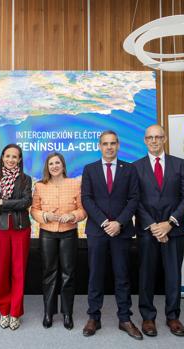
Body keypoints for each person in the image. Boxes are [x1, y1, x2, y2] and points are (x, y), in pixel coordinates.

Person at [81, 130, 142, 340]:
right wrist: (106, 222)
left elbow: (134, 199)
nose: (109, 147)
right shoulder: (89, 169)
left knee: (122, 276)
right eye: (105, 144)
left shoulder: (130, 169)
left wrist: (119, 223)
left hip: (122, 231)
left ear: (118, 145)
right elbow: (86, 199)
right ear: (99, 146)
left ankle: (125, 318)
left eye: (113, 143)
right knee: (95, 275)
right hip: (97, 231)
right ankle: (93, 317)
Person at [134, 125, 184, 337]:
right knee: (146, 275)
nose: (154, 140)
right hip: (147, 230)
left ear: (165, 139)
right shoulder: (136, 167)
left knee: (173, 275)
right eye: (150, 137)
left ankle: (173, 316)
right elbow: (135, 200)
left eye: (158, 137)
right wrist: (154, 225)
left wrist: (170, 223)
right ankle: (148, 317)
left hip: (174, 230)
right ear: (145, 140)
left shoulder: (179, 164)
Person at [31, 152, 86, 330]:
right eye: (51, 164)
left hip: (69, 233)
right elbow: (34, 210)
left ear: (63, 165)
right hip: (47, 233)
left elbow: (83, 210)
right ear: (47, 167)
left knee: (68, 274)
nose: (54, 166)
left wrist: (73, 215)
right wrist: (44, 215)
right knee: (49, 273)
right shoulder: (40, 186)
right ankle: (49, 312)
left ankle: (67, 313)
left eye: (57, 163)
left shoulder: (75, 184)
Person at [0, 144, 32, 331]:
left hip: (21, 229)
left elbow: (26, 202)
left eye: (15, 157)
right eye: (7, 156)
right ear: (2, 157)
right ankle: (4, 310)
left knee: (19, 272)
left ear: (20, 159)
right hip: (0, 228)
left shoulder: (26, 179)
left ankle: (15, 312)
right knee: (2, 271)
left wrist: (3, 202)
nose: (11, 160)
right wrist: (5, 204)